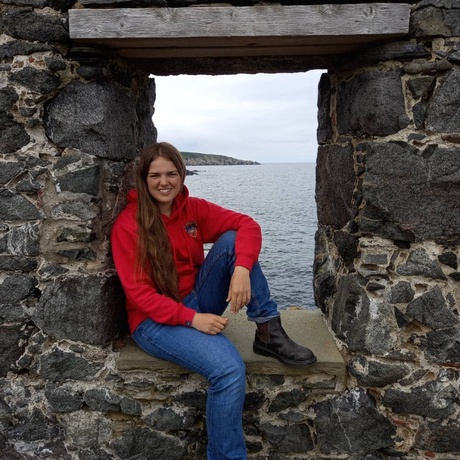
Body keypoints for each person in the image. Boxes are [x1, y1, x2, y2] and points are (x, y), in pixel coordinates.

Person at [111, 142, 316, 460]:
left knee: (235, 240)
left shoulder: (190, 210)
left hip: (195, 298)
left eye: (171, 173)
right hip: (153, 320)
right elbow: (140, 295)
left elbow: (247, 224)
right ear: (144, 178)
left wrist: (242, 269)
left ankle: (268, 331)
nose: (164, 182)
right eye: (155, 175)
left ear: (181, 174)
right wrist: (193, 319)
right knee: (229, 370)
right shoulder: (128, 225)